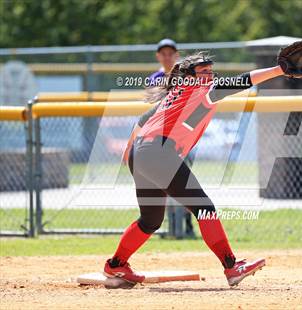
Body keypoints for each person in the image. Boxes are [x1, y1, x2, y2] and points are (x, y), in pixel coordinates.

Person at [107, 51, 285, 287]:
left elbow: (142, 120)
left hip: (141, 155)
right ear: (188, 76)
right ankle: (232, 267)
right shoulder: (200, 90)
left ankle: (116, 265)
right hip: (158, 153)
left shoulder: (175, 95)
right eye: (203, 72)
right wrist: (279, 70)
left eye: (211, 71)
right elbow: (242, 81)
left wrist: (129, 151)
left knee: (150, 221)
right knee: (204, 208)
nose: (209, 76)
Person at [123, 38, 195, 237]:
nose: (167, 56)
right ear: (158, 56)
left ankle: (187, 226)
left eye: (170, 53)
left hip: (178, 137)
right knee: (165, 186)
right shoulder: (155, 78)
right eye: (163, 53)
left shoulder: (184, 76)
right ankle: (172, 226)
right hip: (158, 138)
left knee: (184, 183)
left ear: (176, 55)